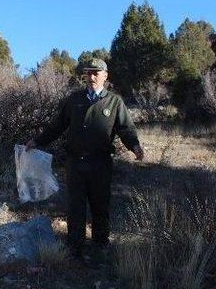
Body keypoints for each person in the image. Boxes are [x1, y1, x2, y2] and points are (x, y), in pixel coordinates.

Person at [26, 58, 143, 262]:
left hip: (101, 164)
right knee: (75, 207)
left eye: (96, 73)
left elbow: (126, 128)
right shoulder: (74, 100)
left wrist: (134, 146)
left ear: (105, 76)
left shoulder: (114, 102)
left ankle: (100, 246)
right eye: (88, 73)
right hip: (75, 163)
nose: (91, 77)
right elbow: (57, 126)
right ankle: (75, 248)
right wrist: (37, 141)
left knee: (100, 206)